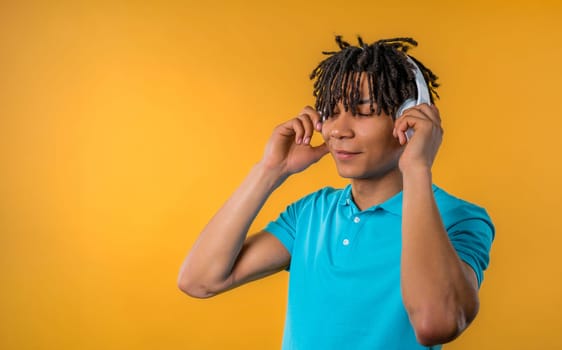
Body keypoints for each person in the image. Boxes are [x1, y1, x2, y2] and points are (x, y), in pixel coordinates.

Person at [177, 36, 495, 349]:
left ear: (410, 119)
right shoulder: (311, 213)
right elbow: (199, 281)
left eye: (363, 111)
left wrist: (417, 169)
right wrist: (270, 169)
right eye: (330, 111)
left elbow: (435, 323)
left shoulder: (460, 219)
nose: (338, 130)